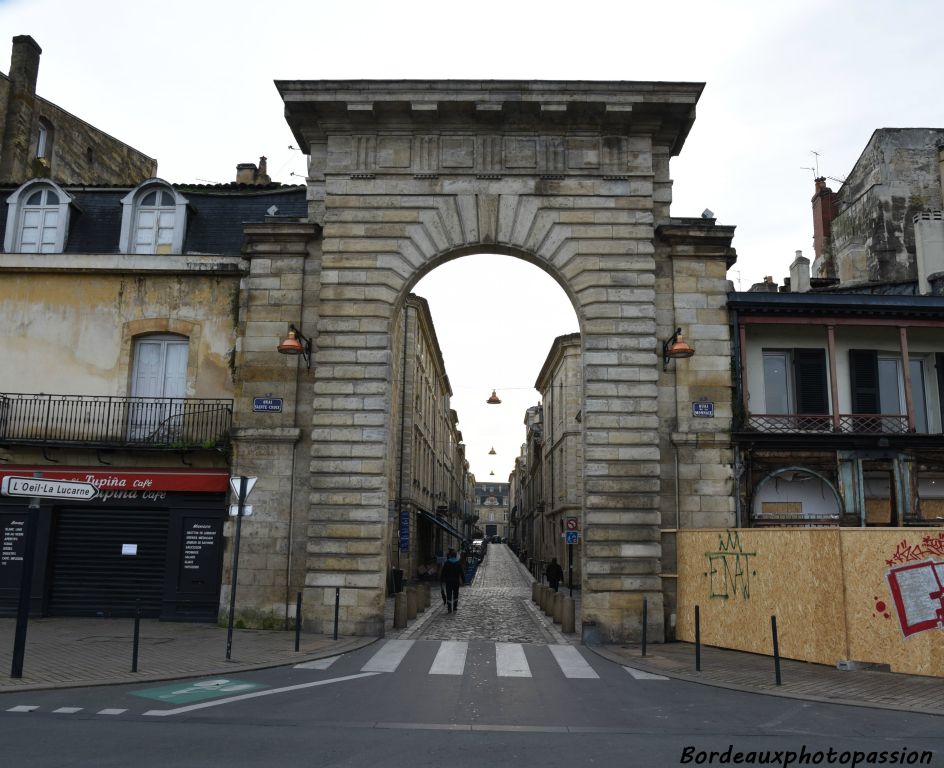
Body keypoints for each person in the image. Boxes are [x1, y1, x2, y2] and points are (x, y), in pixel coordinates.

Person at [440, 548, 465, 613]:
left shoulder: (447, 563)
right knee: (455, 594)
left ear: (450, 556)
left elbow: (443, 572)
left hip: (448, 581)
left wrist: (441, 580)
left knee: (449, 594)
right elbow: (461, 572)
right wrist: (463, 580)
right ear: (456, 556)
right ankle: (455, 607)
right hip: (456, 581)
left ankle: (449, 608)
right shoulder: (458, 563)